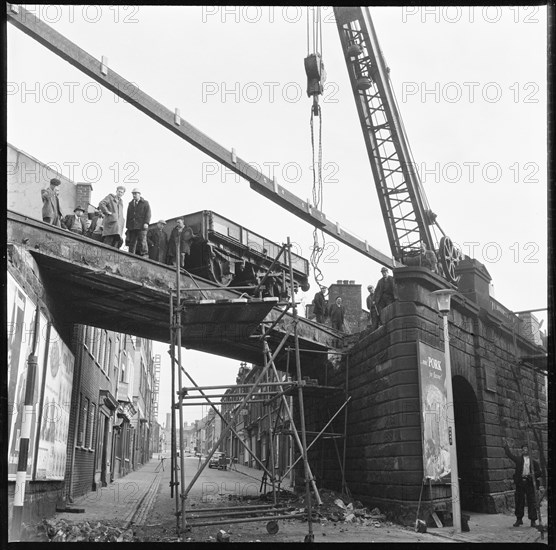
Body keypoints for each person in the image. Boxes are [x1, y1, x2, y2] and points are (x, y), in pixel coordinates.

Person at [503, 439, 542, 527]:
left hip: (530, 483)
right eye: (523, 449)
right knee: (519, 501)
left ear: (529, 450)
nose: (524, 450)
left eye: (526, 449)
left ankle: (533, 520)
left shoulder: (533, 462)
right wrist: (506, 447)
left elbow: (539, 472)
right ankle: (519, 519)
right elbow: (510, 455)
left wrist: (533, 475)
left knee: (531, 502)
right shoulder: (518, 460)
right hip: (520, 483)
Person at [126, 188, 151, 256]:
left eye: (136, 194)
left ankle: (145, 254)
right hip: (132, 226)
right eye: (133, 194)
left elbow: (148, 214)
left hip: (141, 226)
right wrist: (128, 226)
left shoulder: (145, 203)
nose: (134, 195)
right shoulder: (130, 204)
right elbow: (128, 215)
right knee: (132, 242)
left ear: (139, 194)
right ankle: (131, 255)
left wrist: (146, 222)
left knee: (142, 241)